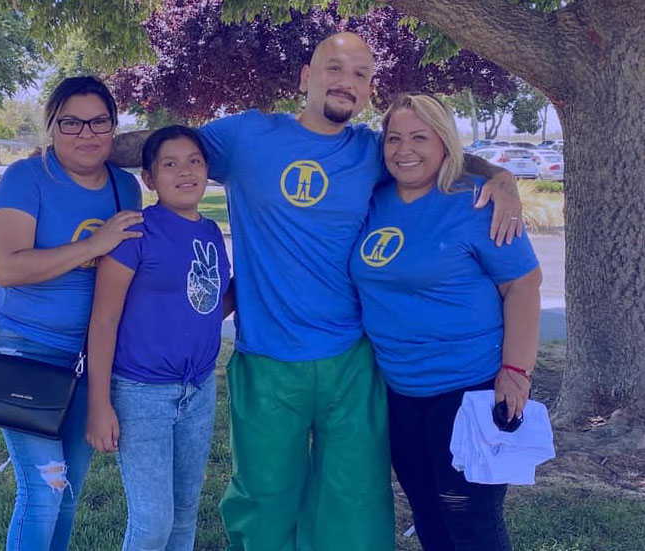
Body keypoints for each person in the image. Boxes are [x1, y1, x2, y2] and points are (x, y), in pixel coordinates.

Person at [111, 32, 523, 551]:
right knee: (264, 499)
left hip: (351, 362)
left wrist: (500, 174)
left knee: (353, 501)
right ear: (306, 77)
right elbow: (164, 148)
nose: (345, 82)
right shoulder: (245, 138)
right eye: (334, 68)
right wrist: (87, 144)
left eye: (359, 74)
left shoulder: (374, 152)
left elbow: (441, 153)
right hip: (268, 360)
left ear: (370, 90)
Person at [350, 93, 542, 551]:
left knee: (470, 521)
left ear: (445, 144)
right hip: (399, 391)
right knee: (428, 518)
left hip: (468, 389)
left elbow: (523, 286)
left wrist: (517, 373)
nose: (404, 149)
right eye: (394, 138)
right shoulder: (372, 201)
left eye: (420, 137)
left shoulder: (477, 203)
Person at [0, 76, 143, 551]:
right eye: (71, 122)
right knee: (45, 488)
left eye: (99, 121)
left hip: (89, 355)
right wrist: (92, 245)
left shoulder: (124, 188)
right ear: (52, 126)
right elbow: (8, 267)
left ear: (114, 126)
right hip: (23, 347)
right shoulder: (26, 178)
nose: (86, 133)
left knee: (68, 491)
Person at [85, 126, 232, 551]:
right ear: (149, 178)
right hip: (142, 392)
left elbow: (205, 307)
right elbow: (104, 319)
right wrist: (99, 404)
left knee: (184, 514)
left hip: (198, 390)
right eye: (169, 164)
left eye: (194, 162)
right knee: (152, 522)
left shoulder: (210, 232)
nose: (184, 172)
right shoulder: (135, 232)